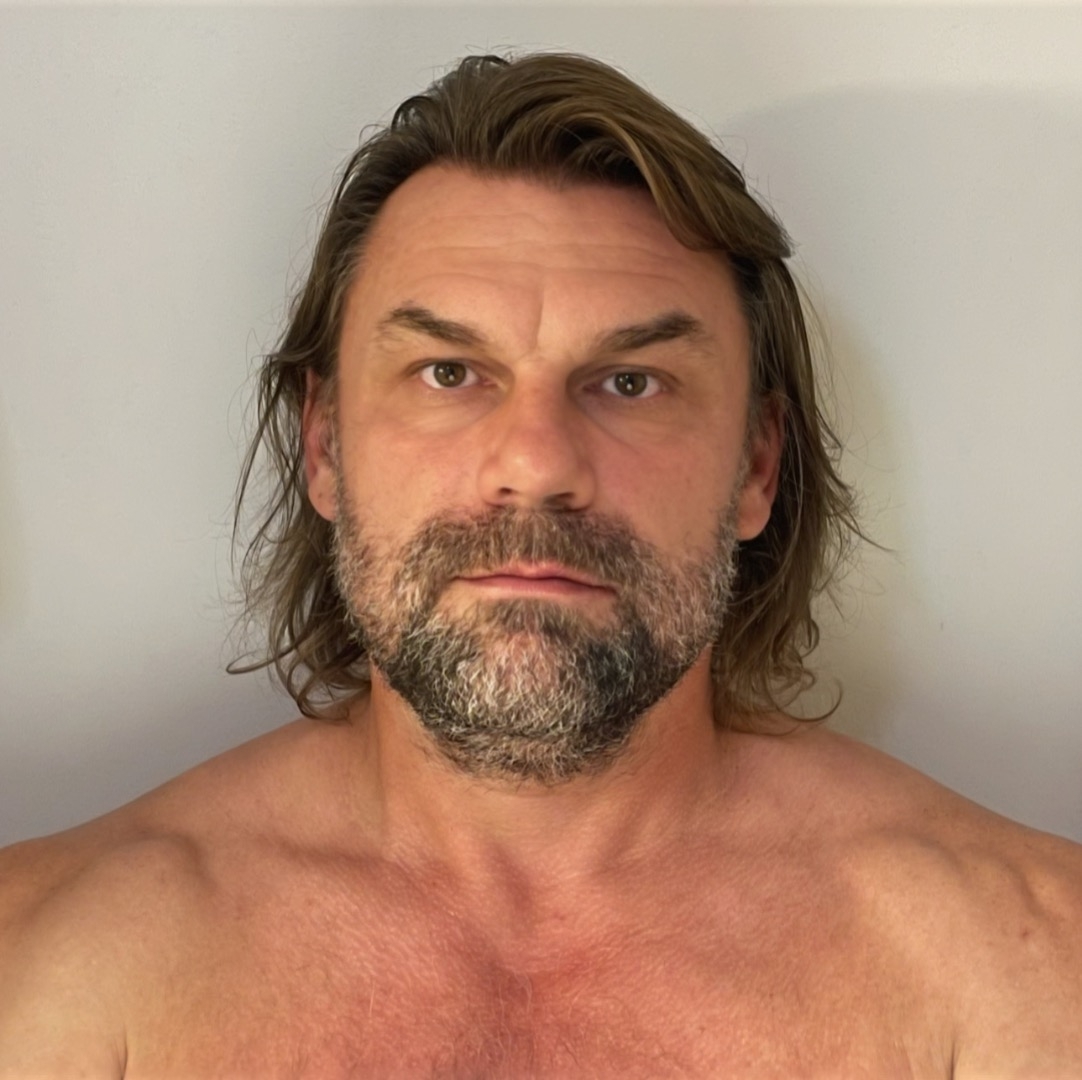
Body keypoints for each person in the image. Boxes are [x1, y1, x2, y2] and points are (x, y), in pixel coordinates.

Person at [1, 51, 1080, 1078]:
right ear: (323, 444)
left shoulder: (1026, 969)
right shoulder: (48, 966)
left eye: (629, 382)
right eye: (447, 371)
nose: (535, 464)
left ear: (757, 465)